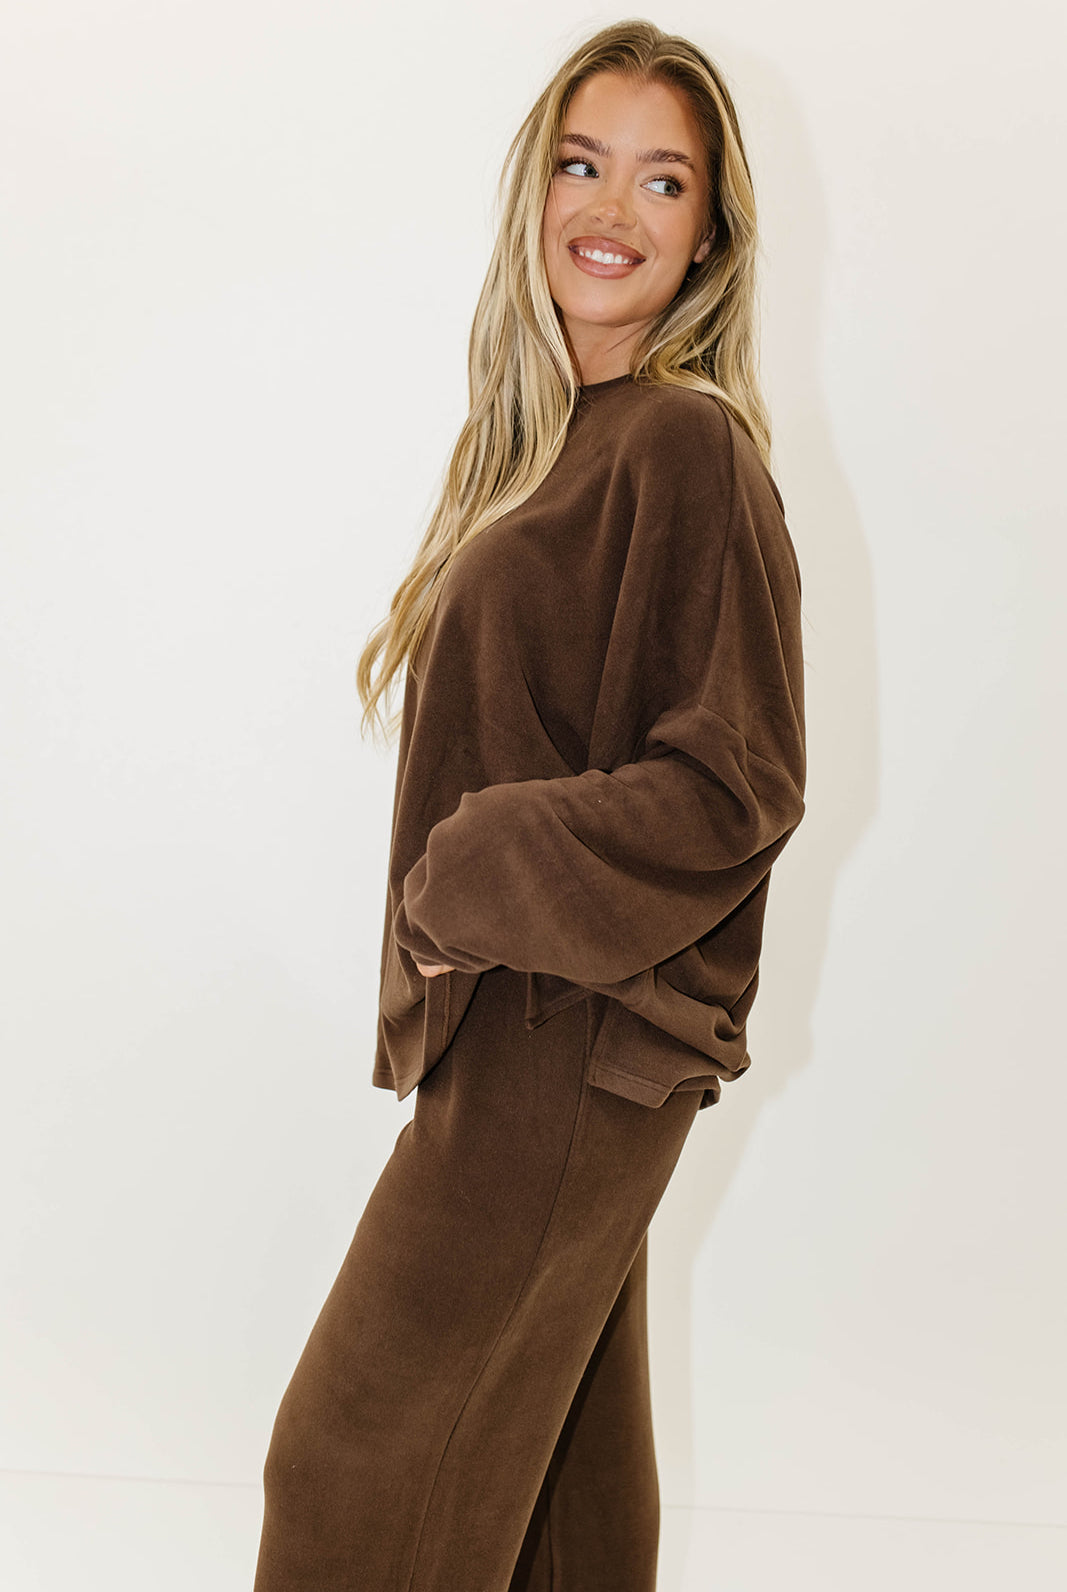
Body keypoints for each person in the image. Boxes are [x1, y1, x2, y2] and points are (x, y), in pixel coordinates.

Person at [252, 18, 807, 1592]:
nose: (612, 209)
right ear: (535, 188)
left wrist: (479, 866)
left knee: (352, 1460)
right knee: (563, 1491)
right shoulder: (558, 444)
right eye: (583, 163)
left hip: (570, 1037)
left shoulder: (686, 445)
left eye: (663, 180)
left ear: (710, 237)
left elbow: (737, 782)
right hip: (540, 1032)